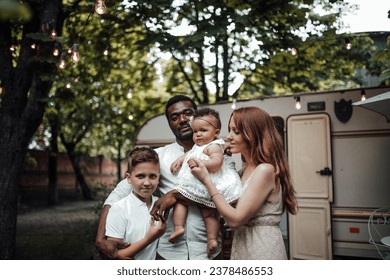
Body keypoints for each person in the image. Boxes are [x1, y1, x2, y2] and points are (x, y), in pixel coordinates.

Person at [95, 95, 235, 260]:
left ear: (197, 116)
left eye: (188, 113)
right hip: (167, 253)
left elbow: (227, 193)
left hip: (209, 252)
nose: (182, 119)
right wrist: (100, 236)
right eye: (174, 117)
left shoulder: (221, 157)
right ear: (169, 123)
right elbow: (119, 193)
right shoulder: (158, 157)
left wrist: (175, 195)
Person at [151, 106, 297, 260]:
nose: (229, 137)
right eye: (230, 130)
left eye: (237, 132)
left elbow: (235, 220)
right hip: (242, 243)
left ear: (253, 134)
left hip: (261, 246)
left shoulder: (264, 170)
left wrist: (206, 179)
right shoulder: (244, 171)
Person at [168, 108, 242, 257]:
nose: (198, 134)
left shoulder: (214, 146)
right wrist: (179, 160)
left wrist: (200, 162)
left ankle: (212, 239)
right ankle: (178, 227)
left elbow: (216, 162)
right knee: (180, 201)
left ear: (216, 133)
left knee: (210, 215)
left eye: (203, 130)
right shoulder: (196, 147)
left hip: (207, 187)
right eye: (195, 131)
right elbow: (188, 155)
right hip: (194, 186)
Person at [105, 147, 167, 260]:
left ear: (159, 178)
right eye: (140, 176)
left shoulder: (161, 205)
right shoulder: (119, 209)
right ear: (129, 178)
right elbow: (115, 256)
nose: (147, 183)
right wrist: (149, 238)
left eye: (152, 176)